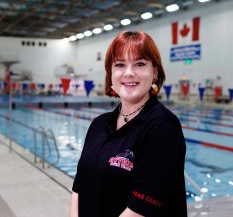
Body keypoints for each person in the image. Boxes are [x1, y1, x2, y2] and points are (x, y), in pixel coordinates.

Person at [70, 31, 187, 217]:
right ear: (111, 72)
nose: (129, 73)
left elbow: (140, 209)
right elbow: (78, 188)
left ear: (154, 72)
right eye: (120, 64)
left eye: (140, 64)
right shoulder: (98, 125)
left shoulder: (163, 126)